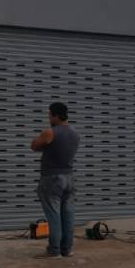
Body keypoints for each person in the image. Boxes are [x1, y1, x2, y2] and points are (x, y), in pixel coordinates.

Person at [30, 102, 80, 259]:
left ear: (56, 115)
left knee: (54, 215)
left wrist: (44, 143)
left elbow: (34, 146)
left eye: (50, 115)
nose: (49, 118)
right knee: (68, 214)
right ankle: (67, 249)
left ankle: (54, 251)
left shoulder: (50, 132)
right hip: (69, 177)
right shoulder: (75, 133)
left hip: (52, 178)